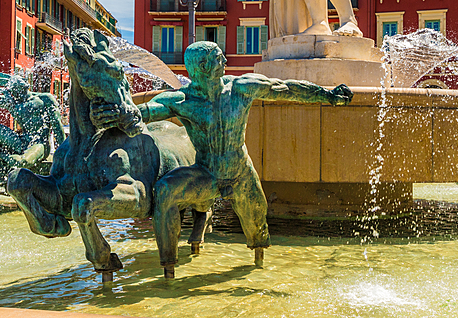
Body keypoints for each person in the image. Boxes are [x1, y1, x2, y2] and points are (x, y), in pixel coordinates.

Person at [94, 41, 352, 277]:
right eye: (219, 58)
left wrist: (326, 95)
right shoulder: (182, 100)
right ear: (204, 66)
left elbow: (284, 88)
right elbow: (144, 114)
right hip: (205, 174)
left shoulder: (241, 88)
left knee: (257, 226)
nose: (225, 61)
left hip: (241, 173)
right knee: (164, 190)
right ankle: (168, 266)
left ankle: (258, 261)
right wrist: (118, 114)